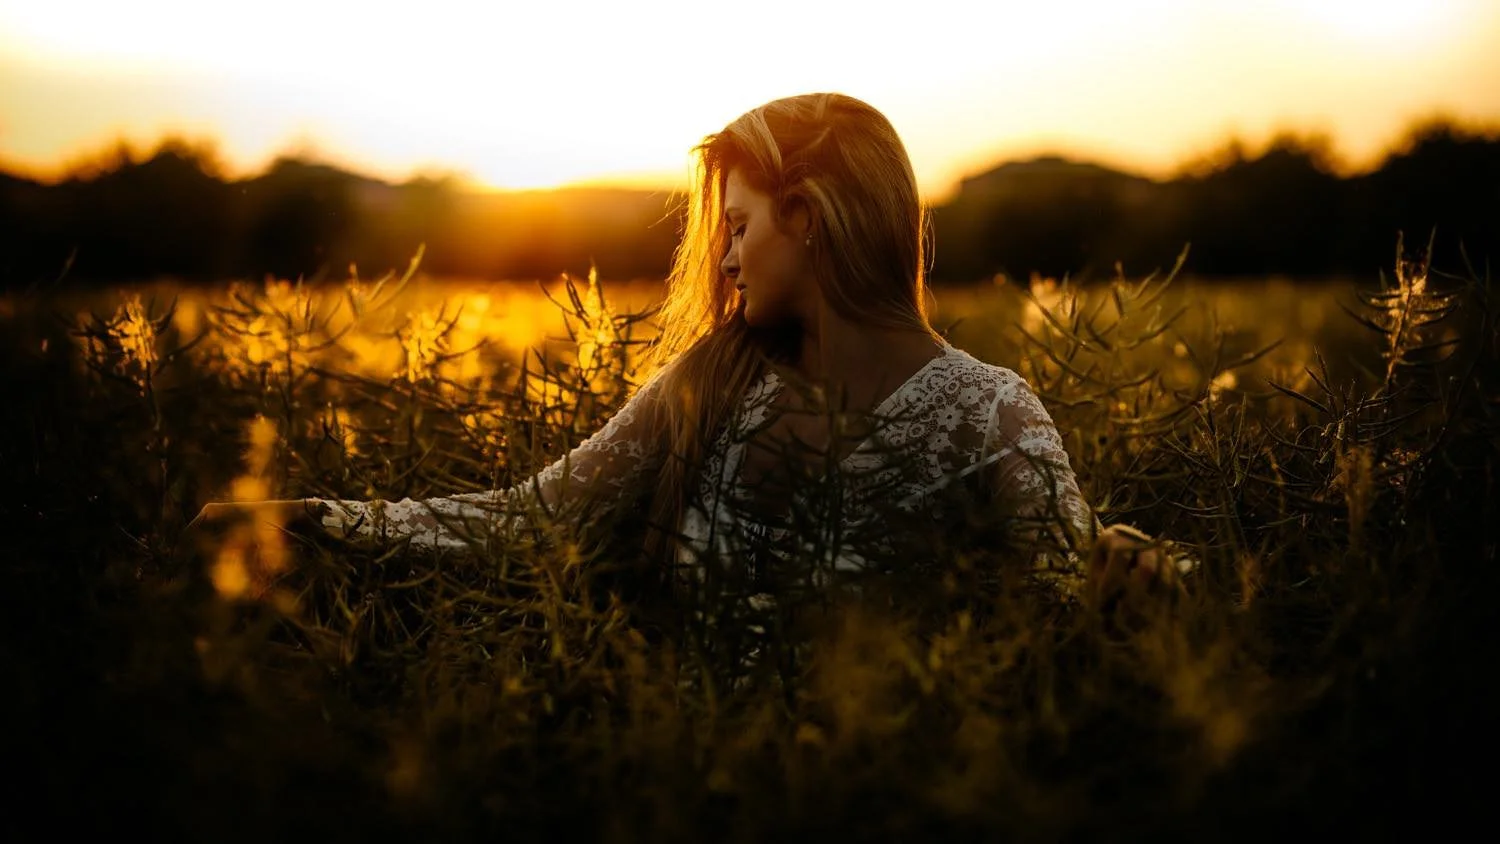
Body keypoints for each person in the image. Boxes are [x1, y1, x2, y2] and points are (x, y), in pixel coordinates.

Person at [191, 93, 1179, 609]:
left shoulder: (991, 415)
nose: (725, 256)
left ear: (808, 217)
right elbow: (529, 519)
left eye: (739, 225)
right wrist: (318, 519)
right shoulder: (714, 383)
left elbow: (1067, 622)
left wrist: (1136, 575)